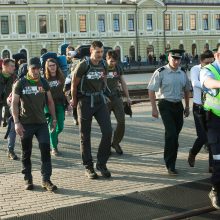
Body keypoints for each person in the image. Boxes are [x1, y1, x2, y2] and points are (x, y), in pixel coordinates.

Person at [11, 57, 57, 191]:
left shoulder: (43, 82)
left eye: (38, 69)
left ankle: (46, 180)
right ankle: (28, 179)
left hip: (42, 123)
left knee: (45, 151)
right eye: (33, 69)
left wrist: (53, 119)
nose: (36, 71)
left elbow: (50, 102)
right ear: (28, 69)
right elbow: (14, 103)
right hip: (25, 124)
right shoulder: (21, 83)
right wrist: (16, 122)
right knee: (26, 152)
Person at [71, 40, 112, 179]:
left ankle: (101, 163)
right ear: (91, 51)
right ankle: (88, 166)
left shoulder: (103, 64)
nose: (100, 55)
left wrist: (105, 92)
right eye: (98, 52)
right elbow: (74, 84)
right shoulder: (83, 65)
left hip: (99, 101)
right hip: (85, 102)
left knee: (108, 131)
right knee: (85, 135)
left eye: (102, 52)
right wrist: (75, 101)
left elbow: (104, 78)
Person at [148, 49, 191, 175]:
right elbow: (151, 90)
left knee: (174, 136)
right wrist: (154, 108)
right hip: (165, 104)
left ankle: (172, 161)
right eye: (174, 59)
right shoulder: (161, 72)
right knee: (171, 134)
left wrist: (187, 106)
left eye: (178, 59)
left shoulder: (182, 72)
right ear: (168, 58)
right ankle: (170, 165)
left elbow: (187, 90)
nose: (176, 61)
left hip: (178, 106)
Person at [200, 44, 220, 209]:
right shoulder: (208, 69)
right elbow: (208, 82)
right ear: (217, 55)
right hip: (214, 121)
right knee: (218, 158)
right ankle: (216, 190)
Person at [188, 50, 214, 170]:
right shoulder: (195, 69)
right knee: (203, 137)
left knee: (212, 137)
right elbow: (194, 83)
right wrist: (208, 85)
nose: (209, 65)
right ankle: (193, 153)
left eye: (211, 62)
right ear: (201, 62)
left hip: (211, 108)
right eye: (206, 63)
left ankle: (212, 165)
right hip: (199, 108)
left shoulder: (214, 69)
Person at [105, 50, 131, 155]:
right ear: (106, 59)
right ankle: (106, 146)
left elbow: (123, 82)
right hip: (105, 99)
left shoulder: (118, 68)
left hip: (116, 98)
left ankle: (115, 143)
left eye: (115, 61)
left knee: (121, 122)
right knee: (106, 126)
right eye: (111, 61)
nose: (113, 63)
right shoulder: (102, 68)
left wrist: (128, 97)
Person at [44, 58, 66, 156]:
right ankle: (54, 147)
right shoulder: (44, 79)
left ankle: (53, 137)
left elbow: (65, 91)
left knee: (60, 126)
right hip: (48, 105)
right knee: (52, 125)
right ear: (47, 67)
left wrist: (69, 104)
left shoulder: (61, 77)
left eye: (54, 65)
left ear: (56, 66)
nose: (52, 67)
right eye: (50, 65)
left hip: (60, 104)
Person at [0, 59, 18, 159]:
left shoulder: (15, 78)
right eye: (11, 66)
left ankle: (10, 150)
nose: (14, 68)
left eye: (14, 66)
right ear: (5, 66)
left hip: (9, 105)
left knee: (12, 127)